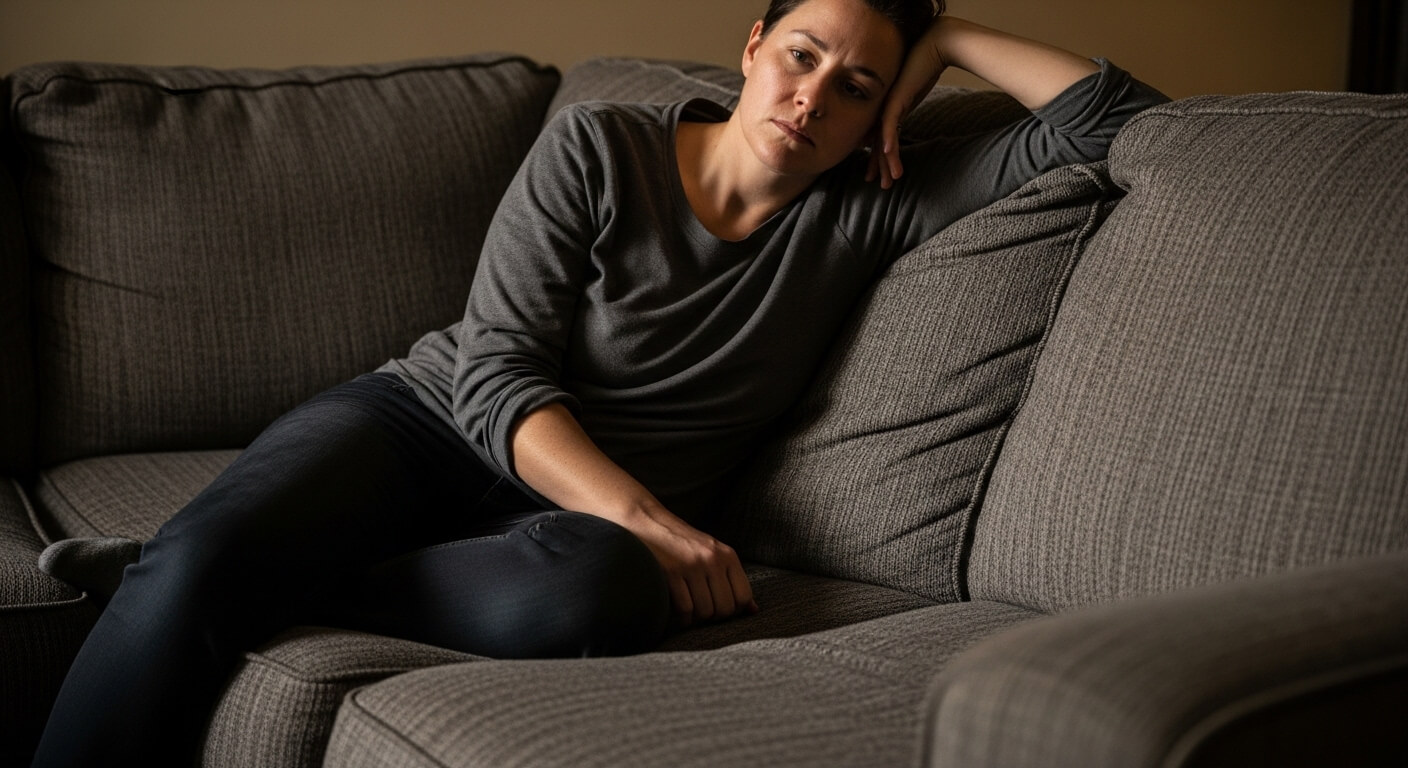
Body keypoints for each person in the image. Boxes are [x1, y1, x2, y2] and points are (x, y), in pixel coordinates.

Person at [30, 0, 1167, 764]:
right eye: (801, 55)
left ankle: (233, 571)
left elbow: (1119, 118)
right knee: (202, 567)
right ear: (753, 46)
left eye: (859, 84)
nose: (815, 97)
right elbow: (495, 370)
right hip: (426, 424)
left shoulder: (877, 206)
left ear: (886, 112)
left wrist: (947, 35)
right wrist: (644, 515)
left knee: (595, 597)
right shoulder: (599, 147)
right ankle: (202, 568)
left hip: (561, 532)